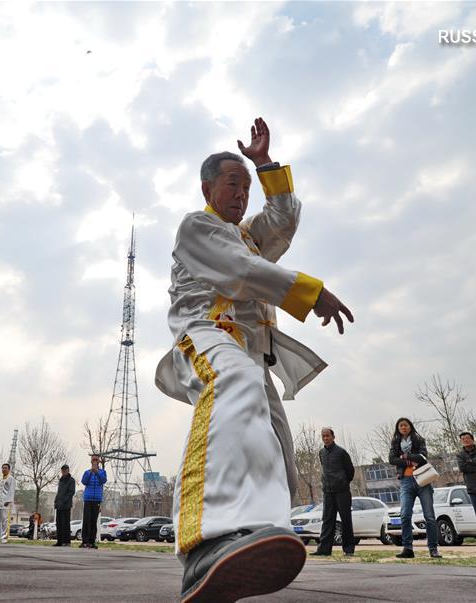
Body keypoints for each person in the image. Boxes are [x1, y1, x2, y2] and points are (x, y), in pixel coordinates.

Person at [154, 117, 354, 602]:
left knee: (278, 447)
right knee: (236, 384)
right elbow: (242, 271)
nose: (242, 195)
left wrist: (266, 166)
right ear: (208, 188)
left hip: (248, 353)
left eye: (247, 187)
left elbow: (282, 221)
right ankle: (204, 543)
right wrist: (312, 293)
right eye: (233, 183)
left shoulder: (246, 233)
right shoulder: (198, 226)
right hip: (205, 337)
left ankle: (251, 542)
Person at [388, 417, 441, 559]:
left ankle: (433, 548)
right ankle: (407, 548)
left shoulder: (419, 440)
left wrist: (406, 456)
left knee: (429, 516)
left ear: (410, 426)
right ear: (398, 428)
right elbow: (392, 459)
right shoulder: (396, 442)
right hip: (405, 480)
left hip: (422, 480)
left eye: (405, 425)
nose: (403, 428)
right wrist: (410, 461)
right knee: (405, 515)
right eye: (400, 426)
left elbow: (423, 457)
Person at [311, 428, 355, 557]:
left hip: (342, 491)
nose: (326, 438)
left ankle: (348, 549)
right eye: (323, 436)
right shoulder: (321, 453)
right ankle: (324, 549)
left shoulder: (341, 452)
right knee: (327, 520)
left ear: (333, 437)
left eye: (328, 436)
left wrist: (343, 482)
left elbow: (350, 471)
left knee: (346, 519)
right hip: (328, 492)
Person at [80, 455, 106, 549]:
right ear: (91, 461)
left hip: (97, 499)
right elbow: (84, 481)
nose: (95, 461)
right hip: (88, 499)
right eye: (93, 460)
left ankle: (92, 541)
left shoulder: (102, 472)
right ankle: (84, 541)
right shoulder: (87, 472)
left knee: (93, 521)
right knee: (87, 520)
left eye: (96, 459)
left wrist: (97, 472)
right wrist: (91, 472)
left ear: (98, 461)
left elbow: (103, 480)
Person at [53, 464, 76, 547]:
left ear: (68, 470)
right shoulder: (61, 480)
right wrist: (56, 501)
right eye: (63, 470)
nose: (64, 471)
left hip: (66, 506)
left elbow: (71, 492)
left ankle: (66, 541)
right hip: (59, 505)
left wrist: (63, 501)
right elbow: (59, 492)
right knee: (59, 523)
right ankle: (59, 541)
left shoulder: (71, 480)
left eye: (65, 470)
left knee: (65, 524)